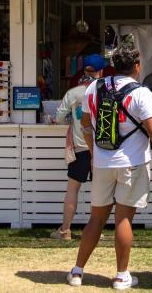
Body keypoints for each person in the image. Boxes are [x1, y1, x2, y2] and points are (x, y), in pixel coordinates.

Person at [66, 44, 152, 290]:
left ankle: (77, 271)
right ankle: (121, 276)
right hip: (132, 163)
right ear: (137, 66)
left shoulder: (95, 87)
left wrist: (94, 151)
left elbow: (85, 123)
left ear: (112, 66)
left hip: (102, 163)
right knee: (123, 220)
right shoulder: (142, 93)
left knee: (96, 219)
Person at [51, 55, 106, 240]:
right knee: (101, 192)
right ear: (101, 72)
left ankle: (65, 230)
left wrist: (72, 119)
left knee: (73, 190)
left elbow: (58, 118)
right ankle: (96, 230)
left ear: (84, 71)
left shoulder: (73, 93)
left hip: (80, 148)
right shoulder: (107, 91)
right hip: (102, 149)